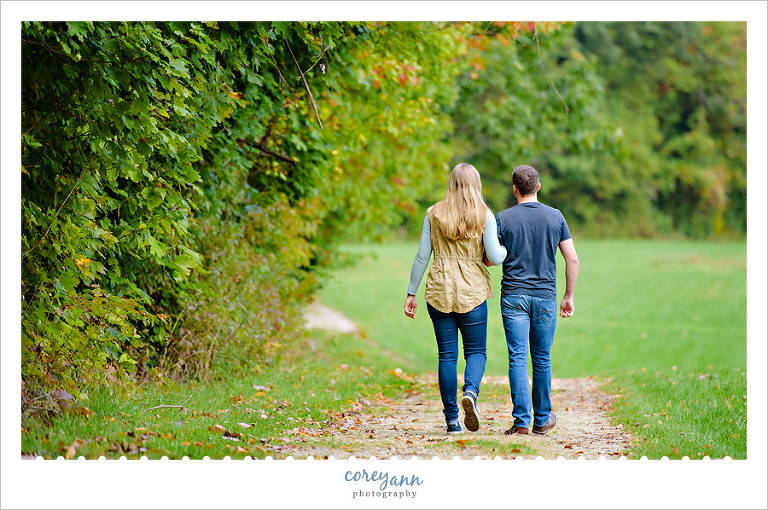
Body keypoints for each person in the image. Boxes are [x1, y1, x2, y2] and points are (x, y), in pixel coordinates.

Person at [404, 163, 507, 435]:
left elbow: (421, 257)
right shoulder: (484, 215)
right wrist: (506, 250)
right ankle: (470, 393)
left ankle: (452, 421)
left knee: (446, 356)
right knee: (476, 351)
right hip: (471, 289)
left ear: (452, 184)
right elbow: (496, 257)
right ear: (476, 184)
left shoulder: (433, 213)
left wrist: (411, 292)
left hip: (439, 288)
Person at [496, 164, 579, 436]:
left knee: (518, 357)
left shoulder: (503, 219)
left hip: (513, 296)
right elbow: (572, 258)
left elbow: (492, 258)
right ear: (538, 187)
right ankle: (542, 419)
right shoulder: (556, 217)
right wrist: (568, 296)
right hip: (545, 297)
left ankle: (521, 421)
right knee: (541, 358)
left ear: (514, 189)